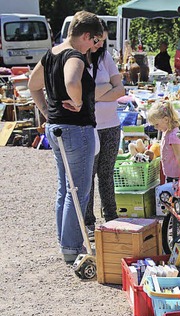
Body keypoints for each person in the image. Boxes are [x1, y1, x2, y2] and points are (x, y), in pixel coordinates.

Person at [27, 10, 104, 264]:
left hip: (57, 128)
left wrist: (47, 113)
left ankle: (65, 243)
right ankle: (72, 248)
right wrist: (79, 101)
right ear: (86, 36)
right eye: (96, 40)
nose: (96, 46)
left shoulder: (52, 53)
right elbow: (72, 80)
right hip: (76, 129)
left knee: (65, 188)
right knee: (77, 190)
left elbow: (32, 84)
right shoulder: (75, 56)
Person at [85, 20, 125, 237]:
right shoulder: (78, 59)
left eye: (103, 40)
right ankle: (88, 221)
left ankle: (111, 216)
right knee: (88, 176)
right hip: (90, 127)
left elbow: (120, 89)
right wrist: (104, 89)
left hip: (111, 125)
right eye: (97, 39)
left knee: (107, 174)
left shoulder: (106, 57)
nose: (100, 44)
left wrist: (93, 95)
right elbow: (80, 93)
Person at [147, 101, 180, 181]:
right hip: (170, 174)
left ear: (166, 120)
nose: (155, 128)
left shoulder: (174, 136)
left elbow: (179, 157)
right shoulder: (166, 132)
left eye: (157, 124)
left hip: (177, 175)